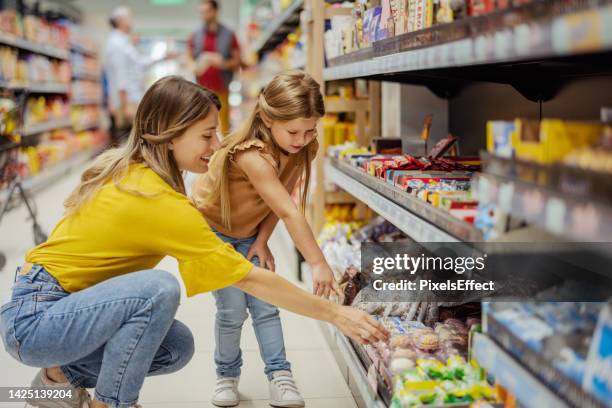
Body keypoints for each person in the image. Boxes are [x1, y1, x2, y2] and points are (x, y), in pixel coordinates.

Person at [0, 76, 388, 408]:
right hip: (36, 318)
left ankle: (56, 378)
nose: (217, 144)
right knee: (158, 289)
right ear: (170, 136)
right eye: (206, 134)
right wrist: (336, 314)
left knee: (176, 347)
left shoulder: (143, 176)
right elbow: (249, 279)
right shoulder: (155, 198)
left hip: (57, 309)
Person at [192, 71, 339, 408]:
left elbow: (282, 196)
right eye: (293, 131)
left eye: (310, 130)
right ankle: (226, 375)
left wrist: (262, 239)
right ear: (267, 119)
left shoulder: (301, 148)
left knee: (267, 306)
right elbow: (290, 212)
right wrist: (317, 263)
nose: (302, 139)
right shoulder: (250, 156)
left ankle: (280, 375)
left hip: (248, 233)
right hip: (213, 234)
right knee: (231, 311)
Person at [103, 5, 176, 145]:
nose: (131, 21)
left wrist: (163, 57)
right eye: (128, 18)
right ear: (120, 21)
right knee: (128, 142)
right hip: (126, 100)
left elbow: (139, 64)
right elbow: (120, 76)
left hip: (131, 98)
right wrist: (124, 106)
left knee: (134, 141)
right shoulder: (117, 44)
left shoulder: (124, 42)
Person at [187, 0, 241, 136]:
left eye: (207, 11)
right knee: (202, 125)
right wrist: (193, 65)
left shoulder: (229, 35)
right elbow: (188, 57)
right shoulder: (195, 35)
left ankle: (224, 154)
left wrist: (222, 63)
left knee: (223, 126)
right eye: (202, 12)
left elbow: (237, 61)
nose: (204, 15)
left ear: (216, 12)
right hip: (201, 89)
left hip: (222, 88)